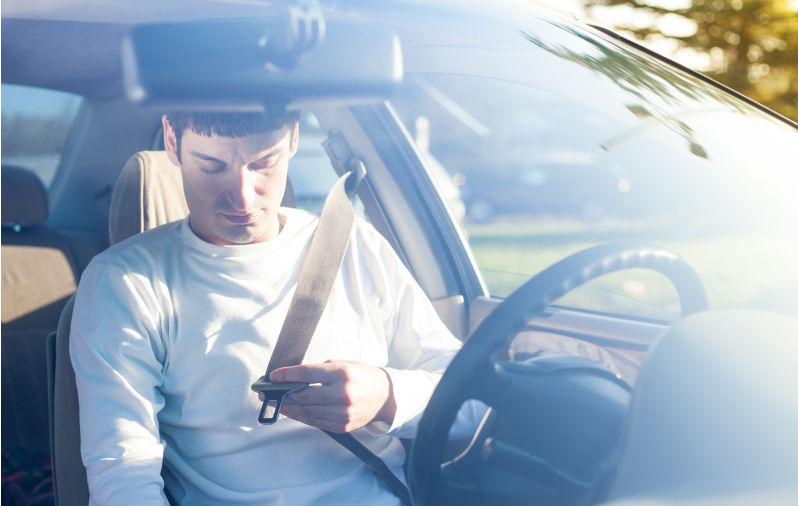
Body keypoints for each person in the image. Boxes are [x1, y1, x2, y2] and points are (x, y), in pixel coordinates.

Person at [70, 111, 467, 505]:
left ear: (293, 138)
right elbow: (124, 468)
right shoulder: (124, 282)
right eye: (211, 167)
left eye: (263, 163)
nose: (242, 197)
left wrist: (387, 395)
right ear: (172, 142)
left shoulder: (357, 246)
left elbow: (473, 399)